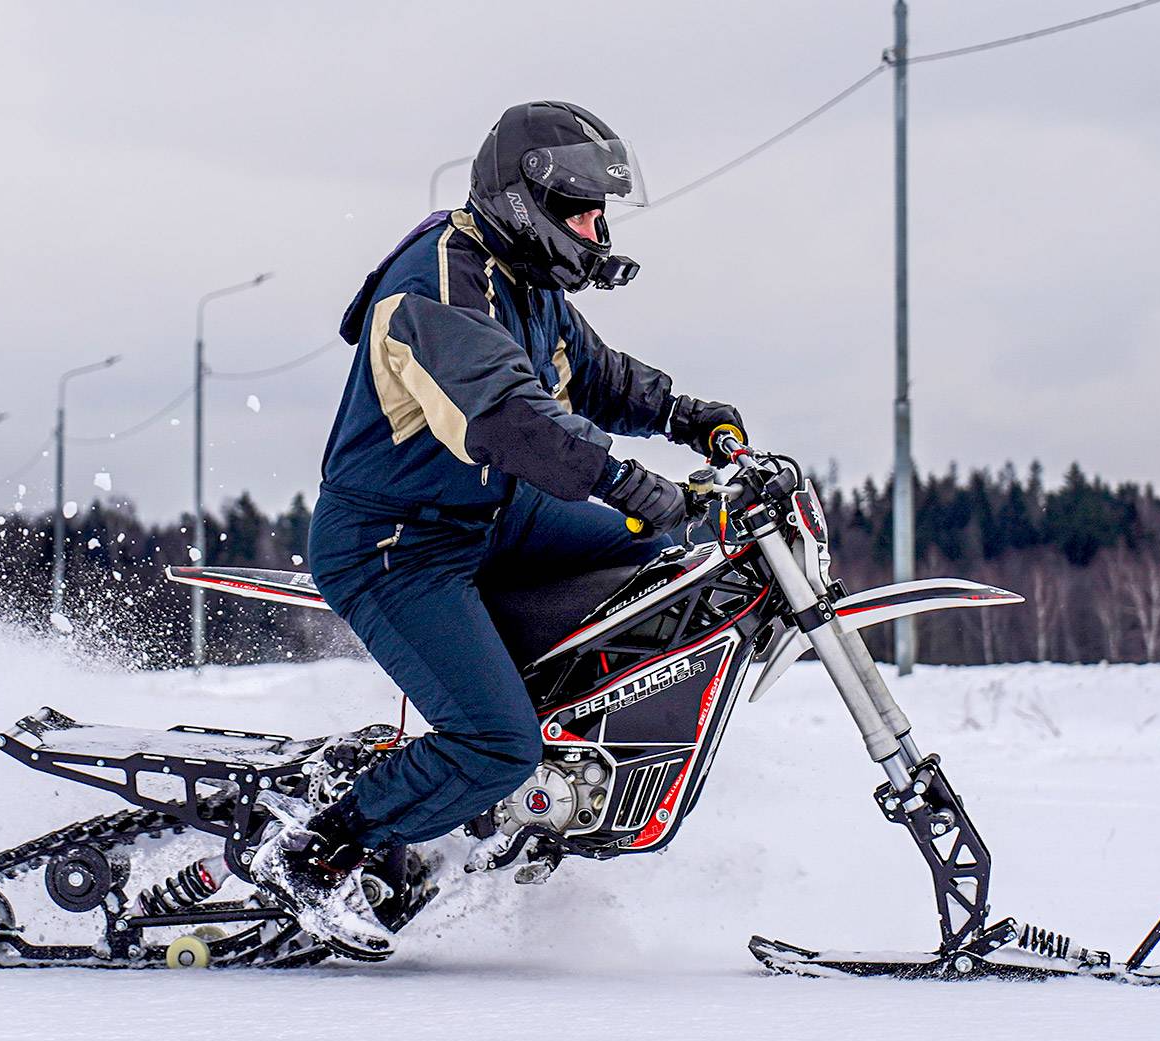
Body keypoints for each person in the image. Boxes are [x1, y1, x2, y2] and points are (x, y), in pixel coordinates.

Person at [148, 102, 745, 959]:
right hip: (397, 544)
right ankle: (320, 851)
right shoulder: (439, 284)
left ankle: (551, 745)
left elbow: (597, 377)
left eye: (599, 212)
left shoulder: (523, 281)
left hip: (488, 519)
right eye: (582, 211)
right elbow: (509, 417)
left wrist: (688, 416)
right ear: (523, 201)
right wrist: (638, 484)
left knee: (657, 555)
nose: (597, 229)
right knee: (494, 744)